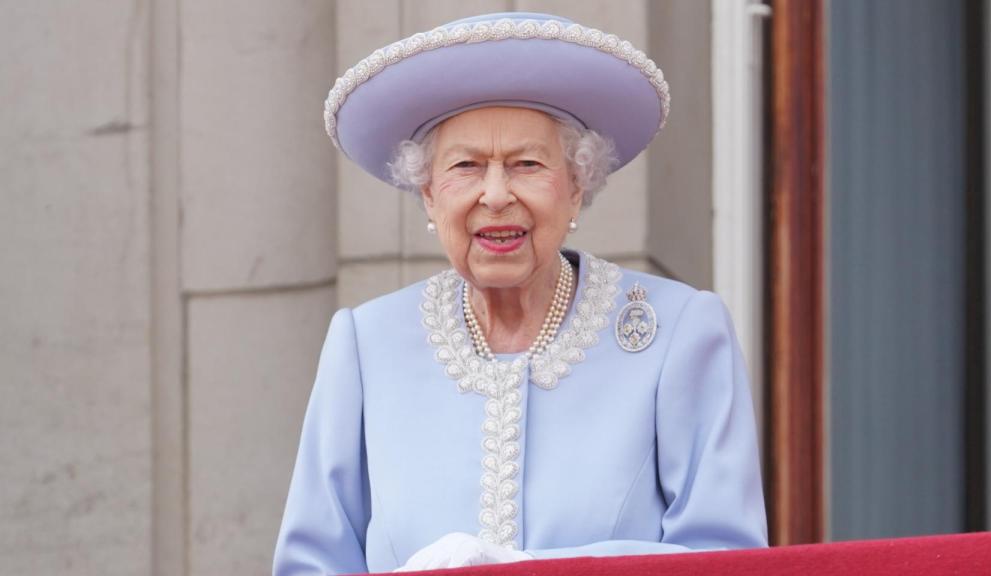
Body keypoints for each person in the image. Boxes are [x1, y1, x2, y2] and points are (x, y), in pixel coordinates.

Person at [273, 12, 767, 575]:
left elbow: (727, 559)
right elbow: (311, 565)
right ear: (429, 195)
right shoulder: (366, 344)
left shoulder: (678, 331)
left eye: (527, 165)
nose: (496, 194)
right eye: (466, 167)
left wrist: (530, 566)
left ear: (577, 187)